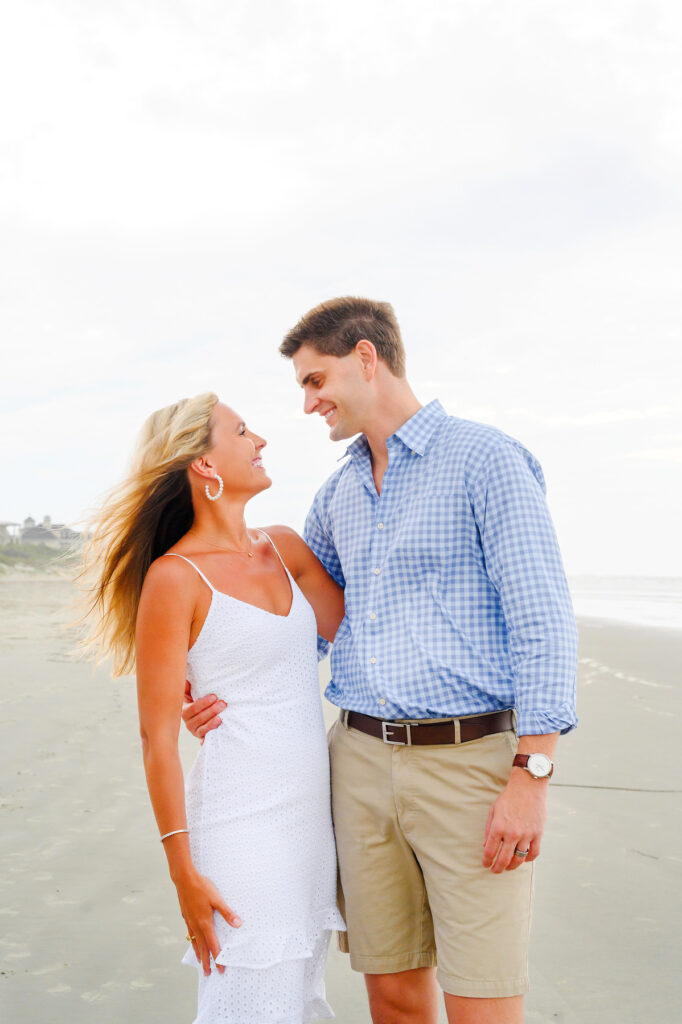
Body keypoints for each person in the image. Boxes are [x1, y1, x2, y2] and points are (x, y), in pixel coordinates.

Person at [184, 298, 578, 1024]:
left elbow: (544, 622)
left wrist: (533, 772)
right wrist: (209, 679)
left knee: (482, 1002)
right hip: (357, 766)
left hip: (469, 765)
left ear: (367, 357)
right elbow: (306, 625)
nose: (307, 403)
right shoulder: (338, 494)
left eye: (314, 380)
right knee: (393, 998)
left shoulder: (486, 460)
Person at [82, 393, 346, 1024]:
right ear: (204, 465)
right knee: (249, 1002)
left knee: (300, 999)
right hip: (240, 823)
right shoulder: (175, 579)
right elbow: (156, 743)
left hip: (312, 824)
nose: (261, 440)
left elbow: (366, 639)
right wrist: (183, 875)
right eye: (243, 430)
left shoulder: (286, 548)